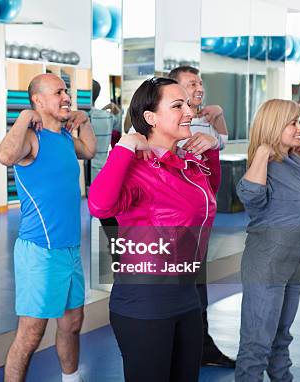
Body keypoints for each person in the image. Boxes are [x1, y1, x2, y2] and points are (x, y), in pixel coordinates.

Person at [88, 77, 221, 381]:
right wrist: (124, 147)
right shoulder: (137, 167)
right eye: (177, 105)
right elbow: (99, 205)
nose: (189, 110)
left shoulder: (187, 162)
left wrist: (211, 152)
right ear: (150, 118)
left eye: (188, 103)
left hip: (188, 298)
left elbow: (207, 199)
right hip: (145, 303)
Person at [0, 73, 96, 382]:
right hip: (39, 251)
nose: (66, 96)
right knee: (31, 333)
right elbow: (4, 155)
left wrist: (84, 120)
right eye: (58, 92)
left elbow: (90, 150)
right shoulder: (31, 138)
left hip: (68, 249)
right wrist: (25, 116)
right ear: (39, 100)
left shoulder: (65, 137)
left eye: (66, 91)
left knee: (72, 322)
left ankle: (71, 378)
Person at [235, 99, 300, 381]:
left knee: (281, 338)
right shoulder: (264, 164)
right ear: (274, 126)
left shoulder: (294, 162)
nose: (299, 128)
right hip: (266, 266)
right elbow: (250, 198)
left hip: (291, 264)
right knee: (256, 344)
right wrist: (261, 152)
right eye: (293, 123)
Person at [169, 65, 235, 368]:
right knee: (184, 286)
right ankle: (183, 349)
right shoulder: (175, 126)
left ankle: (202, 346)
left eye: (200, 83)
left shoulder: (205, 118)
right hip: (181, 221)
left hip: (203, 219)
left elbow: (222, 137)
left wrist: (218, 115)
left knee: (198, 285)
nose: (199, 88)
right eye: (191, 83)